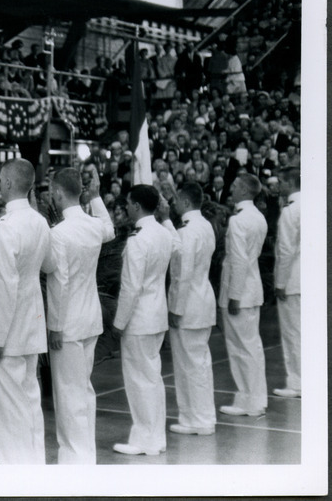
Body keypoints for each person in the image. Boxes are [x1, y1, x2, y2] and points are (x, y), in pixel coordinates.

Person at [0, 158, 55, 464]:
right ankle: (35, 470)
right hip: (31, 325)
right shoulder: (39, 221)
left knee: (9, 413)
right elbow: (50, 265)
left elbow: (5, 285)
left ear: (9, 184)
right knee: (29, 404)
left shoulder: (7, 226)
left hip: (7, 332)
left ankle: (17, 479)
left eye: (1, 181)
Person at [46, 165, 114, 464]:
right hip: (90, 318)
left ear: (58, 194)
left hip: (69, 323)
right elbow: (109, 228)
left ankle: (74, 459)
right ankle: (85, 455)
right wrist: (96, 198)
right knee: (83, 391)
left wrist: (56, 325)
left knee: (69, 394)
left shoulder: (58, 233)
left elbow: (59, 281)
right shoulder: (93, 226)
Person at [111, 185, 179, 456]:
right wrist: (166, 217)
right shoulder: (163, 232)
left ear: (137, 206)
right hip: (156, 316)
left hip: (139, 319)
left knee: (140, 381)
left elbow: (131, 287)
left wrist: (118, 323)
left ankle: (144, 439)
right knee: (152, 379)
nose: (126, 207)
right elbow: (179, 245)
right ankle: (155, 437)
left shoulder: (138, 239)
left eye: (128, 203)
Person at [167, 183, 218, 436]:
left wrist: (175, 308)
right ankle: (200, 416)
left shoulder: (187, 231)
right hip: (202, 299)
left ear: (186, 203)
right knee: (199, 363)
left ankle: (197, 419)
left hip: (188, 304)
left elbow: (182, 275)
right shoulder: (205, 224)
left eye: (177, 199)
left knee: (190, 365)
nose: (174, 203)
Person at [218, 173, 269, 417]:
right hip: (252, 288)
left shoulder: (239, 220)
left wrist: (234, 295)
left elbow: (238, 259)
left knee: (241, 348)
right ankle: (253, 399)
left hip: (240, 290)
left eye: (237, 186)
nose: (232, 188)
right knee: (251, 347)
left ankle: (249, 401)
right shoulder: (257, 216)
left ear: (247, 192)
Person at [272, 167, 301, 398]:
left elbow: (285, 249)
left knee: (293, 333)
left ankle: (298, 382)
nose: (278, 185)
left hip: (292, 278)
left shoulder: (290, 210)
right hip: (308, 278)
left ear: (290, 183)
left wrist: (280, 282)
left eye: (281, 182)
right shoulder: (310, 203)